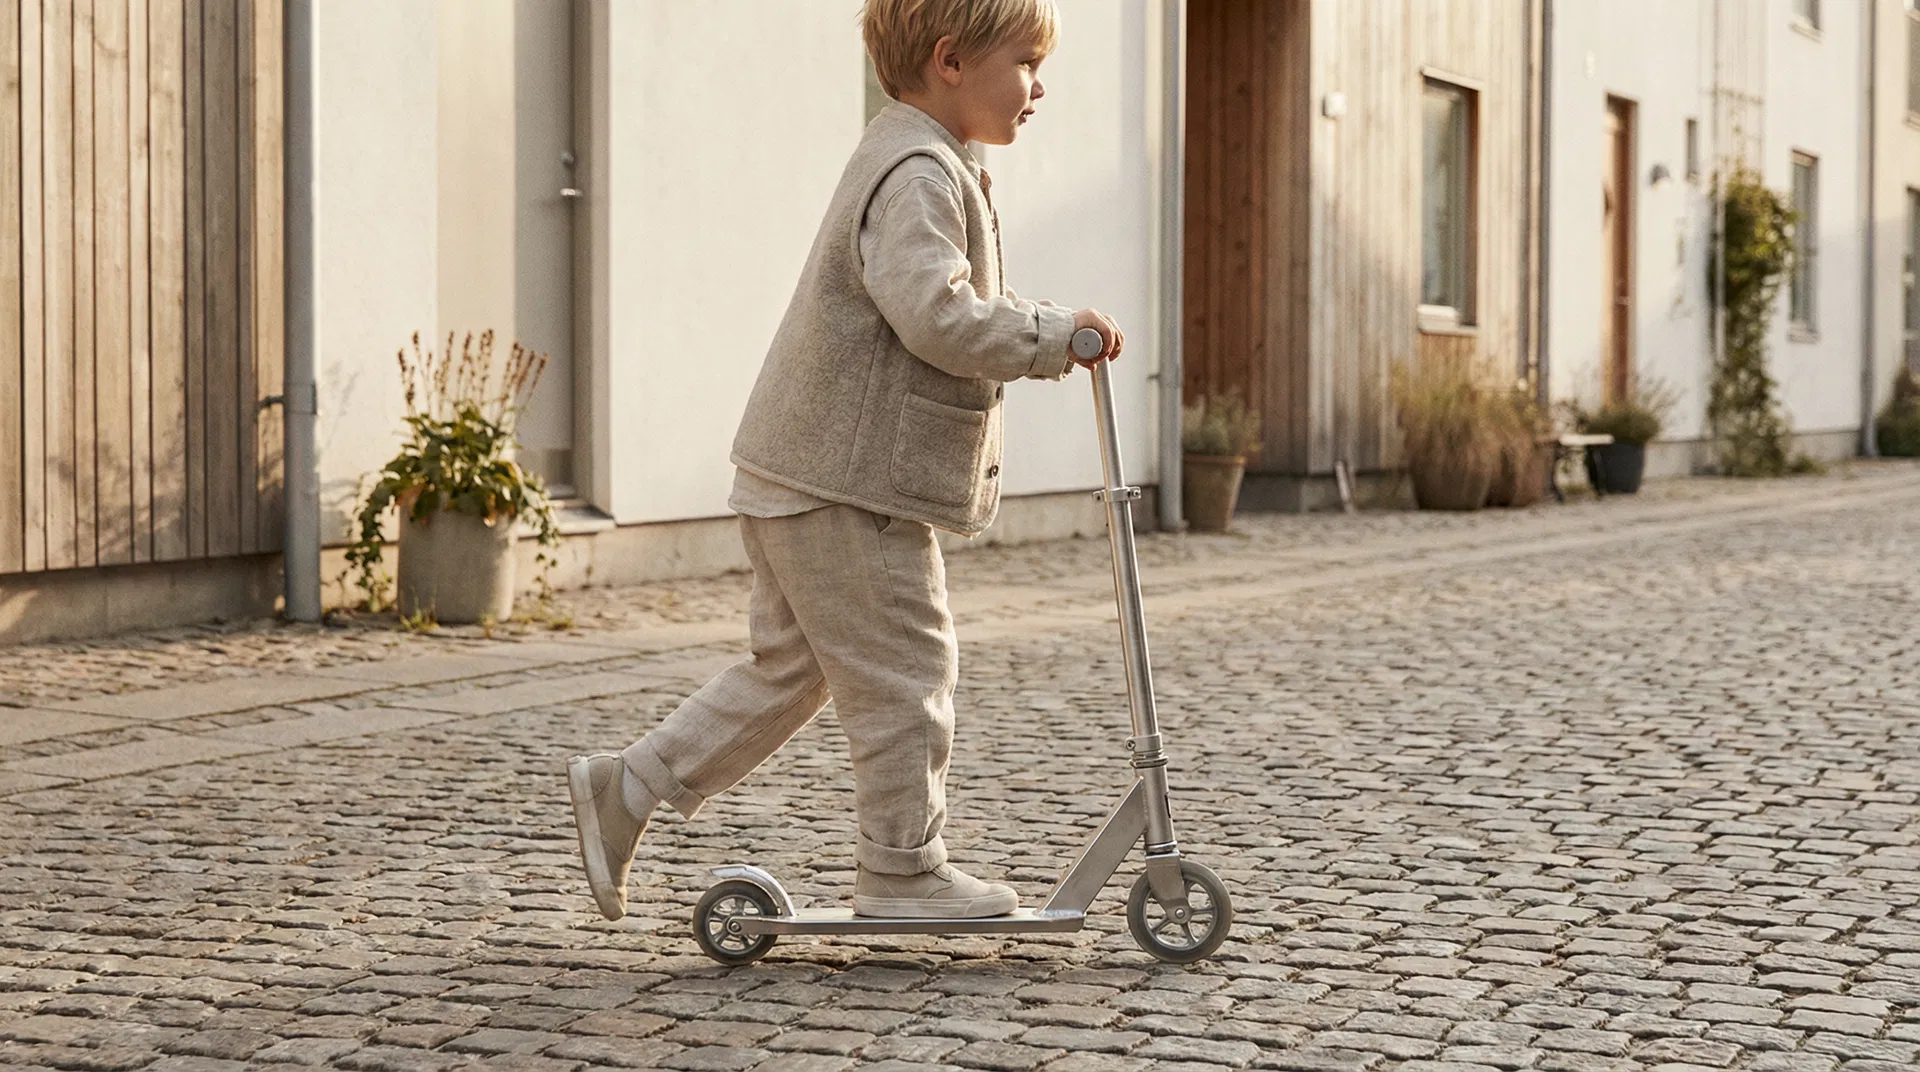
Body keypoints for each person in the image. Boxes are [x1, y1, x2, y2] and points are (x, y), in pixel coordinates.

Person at [566, 0, 1123, 923]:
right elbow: (936, 316)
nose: (1039, 86)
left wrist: (1050, 323)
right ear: (950, 60)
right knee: (910, 667)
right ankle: (901, 872)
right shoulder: (916, 173)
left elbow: (949, 296)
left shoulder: (930, 161)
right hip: (845, 481)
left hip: (804, 468)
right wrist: (1051, 338)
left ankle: (627, 788)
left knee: (791, 669)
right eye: (1025, 62)